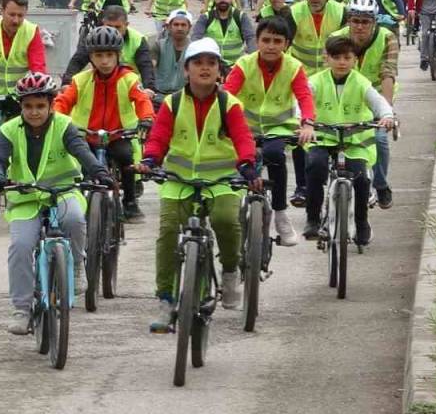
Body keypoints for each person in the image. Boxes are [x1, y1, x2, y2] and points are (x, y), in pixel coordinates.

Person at [137, 38, 260, 314]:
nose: (205, 68)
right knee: (168, 232)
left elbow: (243, 138)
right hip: (178, 181)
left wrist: (247, 165)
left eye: (211, 63)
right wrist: (150, 159)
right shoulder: (173, 102)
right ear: (186, 69)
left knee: (226, 221)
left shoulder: (230, 104)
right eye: (198, 63)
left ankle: (229, 272)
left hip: (222, 182)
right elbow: (158, 137)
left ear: (220, 71)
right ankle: (165, 296)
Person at [0, 73, 111, 334]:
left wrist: (99, 172)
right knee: (20, 247)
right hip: (26, 199)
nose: (34, 112)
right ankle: (21, 309)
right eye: (28, 106)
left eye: (40, 106)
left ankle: (76, 266)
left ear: (51, 105)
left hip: (63, 192)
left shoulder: (65, 126)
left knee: (75, 219)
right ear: (20, 107)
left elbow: (82, 153)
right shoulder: (9, 130)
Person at [223, 17, 316, 246]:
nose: (271, 46)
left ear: (286, 44)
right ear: (257, 41)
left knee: (275, 156)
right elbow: (227, 95)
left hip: (278, 127)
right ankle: (235, 213)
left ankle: (280, 213)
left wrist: (308, 123)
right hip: (244, 127)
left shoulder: (294, 67)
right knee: (236, 165)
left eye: (277, 41)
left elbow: (305, 96)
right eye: (266, 40)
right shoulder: (244, 64)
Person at [302, 35, 397, 245]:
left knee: (362, 179)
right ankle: (312, 218)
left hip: (355, 142)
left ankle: (362, 222)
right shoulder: (315, 81)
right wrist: (302, 122)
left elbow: (378, 102)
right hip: (323, 139)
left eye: (347, 57)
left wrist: (387, 116)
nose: (342, 62)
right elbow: (301, 101)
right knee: (315, 167)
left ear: (355, 60)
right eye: (336, 57)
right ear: (326, 58)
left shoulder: (361, 82)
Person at [54, 26, 155, 221]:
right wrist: (56, 120)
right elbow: (63, 102)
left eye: (109, 55)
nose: (105, 61)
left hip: (118, 134)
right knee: (81, 165)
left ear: (118, 55)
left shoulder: (129, 78)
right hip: (86, 135)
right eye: (99, 55)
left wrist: (147, 119)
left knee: (126, 157)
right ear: (91, 57)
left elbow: (142, 100)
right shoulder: (80, 80)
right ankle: (81, 202)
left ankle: (130, 201)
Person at [331, 0, 400, 208]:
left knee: (378, 139)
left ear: (374, 22)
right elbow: (326, 73)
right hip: (343, 97)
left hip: (377, 97)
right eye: (355, 21)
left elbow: (388, 73)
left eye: (365, 22)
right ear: (349, 21)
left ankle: (380, 184)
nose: (360, 27)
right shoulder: (336, 38)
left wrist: (385, 111)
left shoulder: (388, 38)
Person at [284, 0, 345, 206]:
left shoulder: (340, 13)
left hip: (334, 79)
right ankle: (301, 186)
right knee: (300, 133)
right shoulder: (294, 13)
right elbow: (283, 46)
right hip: (303, 81)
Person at [62, 5, 158, 96]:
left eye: (117, 27)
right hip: (99, 86)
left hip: (130, 88)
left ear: (126, 25)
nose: (113, 31)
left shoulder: (138, 39)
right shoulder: (94, 37)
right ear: (103, 23)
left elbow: (146, 66)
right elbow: (78, 60)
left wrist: (149, 88)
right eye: (109, 26)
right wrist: (66, 83)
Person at [193, 0, 257, 67]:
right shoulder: (206, 17)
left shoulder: (241, 17)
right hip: (213, 67)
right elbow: (196, 39)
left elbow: (251, 39)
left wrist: (254, 61)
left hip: (236, 67)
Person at [150, 9, 193, 98]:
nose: (179, 28)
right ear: (169, 27)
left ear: (189, 28)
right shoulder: (159, 46)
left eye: (183, 25)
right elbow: (150, 69)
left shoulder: (194, 49)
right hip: (159, 96)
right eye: (176, 24)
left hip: (185, 98)